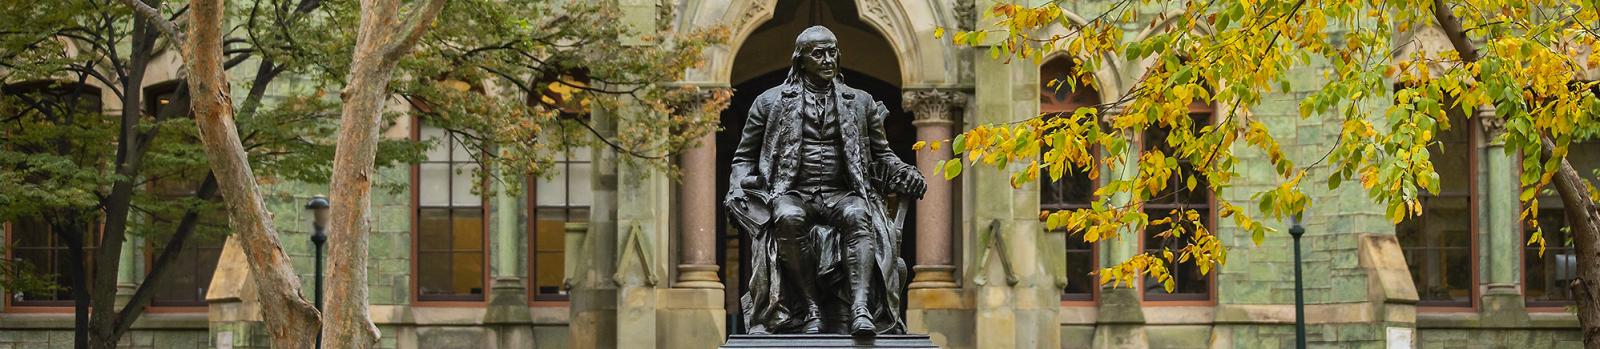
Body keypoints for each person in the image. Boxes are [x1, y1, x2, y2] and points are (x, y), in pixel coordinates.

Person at [724, 25, 926, 336]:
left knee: (859, 214)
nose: (828, 59)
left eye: (833, 52)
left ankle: (860, 311)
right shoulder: (769, 102)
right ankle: (811, 308)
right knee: (787, 217)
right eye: (819, 54)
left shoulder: (860, 102)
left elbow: (884, 155)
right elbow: (743, 157)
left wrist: (906, 173)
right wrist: (737, 188)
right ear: (800, 60)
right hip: (793, 192)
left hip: (843, 193)